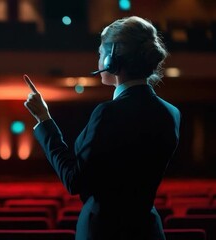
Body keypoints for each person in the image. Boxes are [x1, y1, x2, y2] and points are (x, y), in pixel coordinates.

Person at [24, 16, 181, 240]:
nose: (98, 60)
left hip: (104, 230)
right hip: (148, 231)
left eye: (100, 54)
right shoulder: (172, 113)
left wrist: (44, 119)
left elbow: (73, 179)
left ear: (111, 61)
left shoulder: (107, 113)